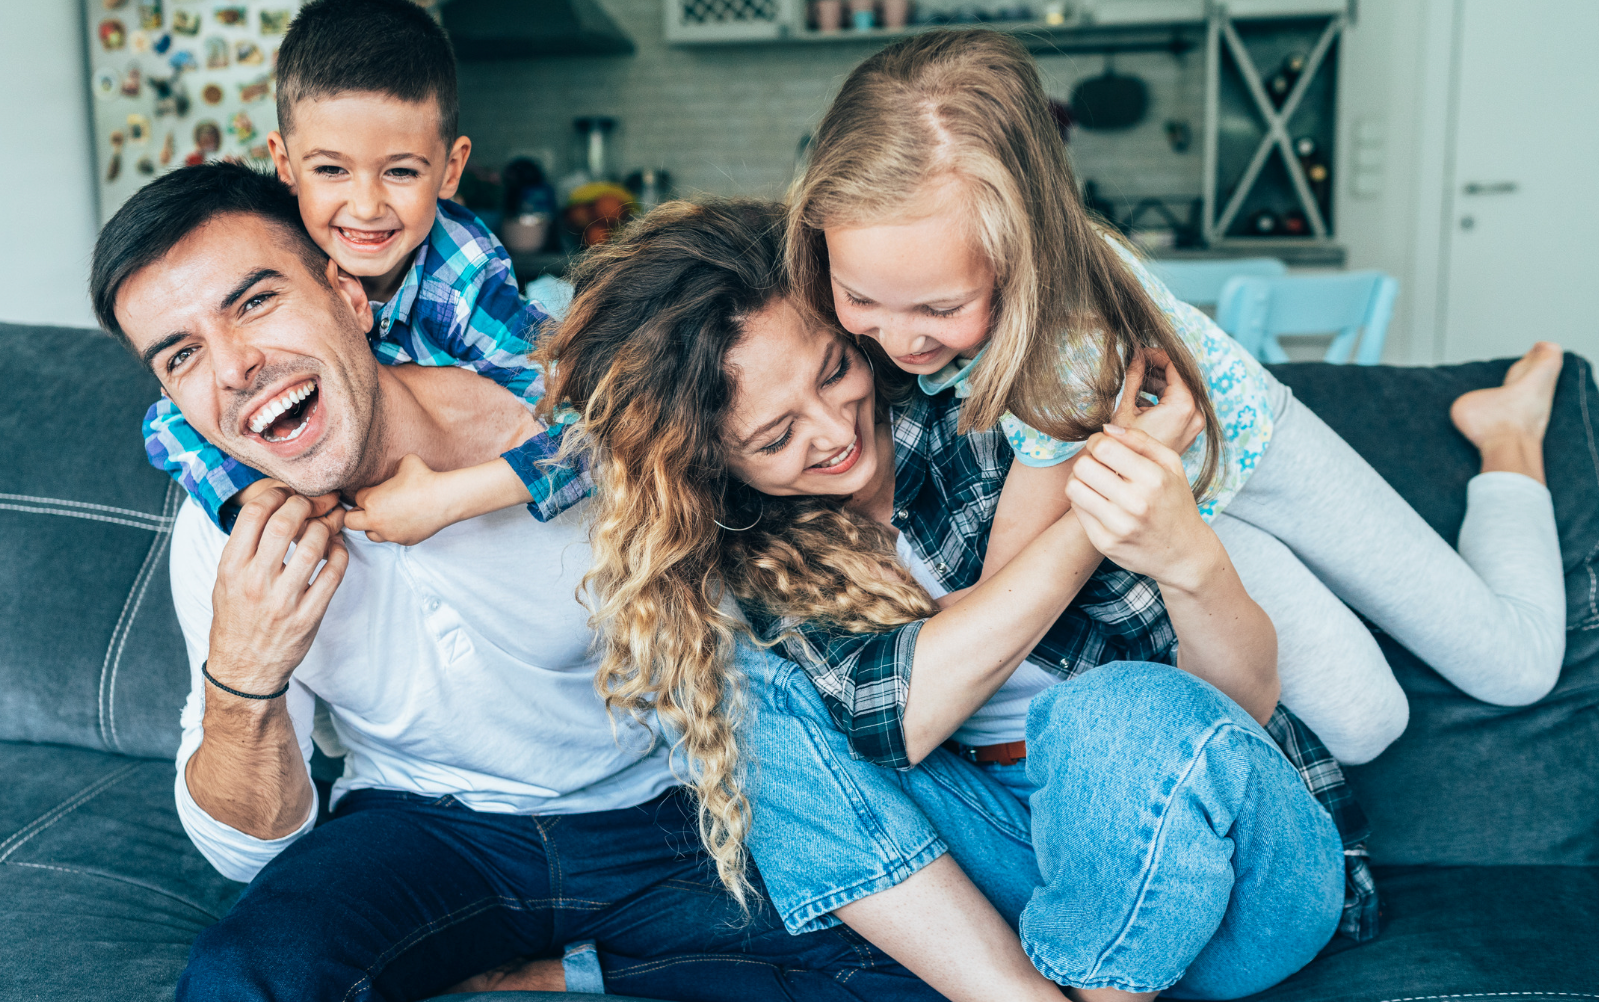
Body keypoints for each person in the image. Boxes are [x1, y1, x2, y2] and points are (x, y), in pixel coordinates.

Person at [90, 164, 953, 1000]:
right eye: (180, 356)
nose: (235, 366)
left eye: (255, 302)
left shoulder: (555, 425)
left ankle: (560, 975)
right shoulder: (227, 527)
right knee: (243, 978)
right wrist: (246, 673)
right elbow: (246, 852)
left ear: (351, 296)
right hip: (424, 826)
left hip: (659, 811)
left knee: (914, 966)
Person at [534, 199, 1365, 1001]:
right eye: (775, 437)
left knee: (1107, 713)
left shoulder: (996, 412)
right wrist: (1087, 517)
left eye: (835, 370)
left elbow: (1230, 711)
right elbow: (901, 715)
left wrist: (1113, 499)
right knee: (734, 694)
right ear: (708, 464)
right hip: (1022, 866)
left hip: (1234, 883)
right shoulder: (758, 552)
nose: (832, 432)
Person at [785, 29, 1567, 768]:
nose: (900, 343)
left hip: (1254, 453)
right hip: (1189, 504)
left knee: (1516, 666)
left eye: (941, 310)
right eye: (861, 299)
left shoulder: (1067, 355)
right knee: (1365, 723)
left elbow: (1002, 598)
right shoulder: (878, 288)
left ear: (1024, 254)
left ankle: (1507, 439)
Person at [138, 0, 585, 542]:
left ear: (450, 170)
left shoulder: (461, 280)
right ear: (285, 166)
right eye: (330, 170)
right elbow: (168, 424)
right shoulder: (277, 255)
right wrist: (258, 494)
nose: (367, 207)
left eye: (400, 171)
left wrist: (446, 499)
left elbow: (594, 435)